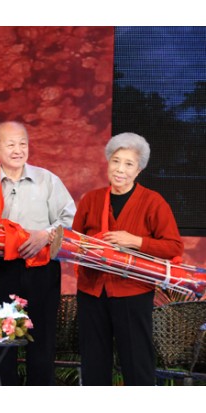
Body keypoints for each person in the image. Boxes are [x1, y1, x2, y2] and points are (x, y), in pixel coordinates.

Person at [0, 120, 75, 385]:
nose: (18, 150)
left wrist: (45, 235)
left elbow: (69, 221)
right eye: (11, 144)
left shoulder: (48, 180)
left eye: (23, 143)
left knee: (42, 343)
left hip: (41, 270)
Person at [73, 132, 184, 386]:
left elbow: (174, 246)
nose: (120, 169)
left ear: (138, 169)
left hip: (133, 292)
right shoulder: (91, 199)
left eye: (128, 164)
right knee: (93, 361)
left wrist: (134, 241)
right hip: (91, 292)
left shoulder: (153, 202)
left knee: (137, 361)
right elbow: (76, 242)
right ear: (108, 162)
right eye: (115, 161)